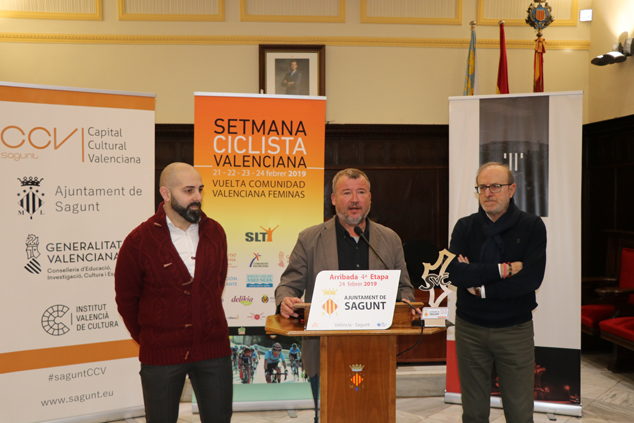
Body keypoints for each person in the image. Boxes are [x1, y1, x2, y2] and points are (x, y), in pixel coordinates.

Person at [275, 168, 416, 422]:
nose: (354, 200)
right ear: (333, 199)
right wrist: (285, 299)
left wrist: (406, 302)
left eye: (361, 192)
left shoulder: (390, 239)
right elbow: (288, 285)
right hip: (325, 348)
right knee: (329, 415)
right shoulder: (310, 238)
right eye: (346, 193)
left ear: (370, 198)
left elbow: (404, 288)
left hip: (377, 348)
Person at [114, 162, 232, 423]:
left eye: (200, 189)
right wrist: (152, 338)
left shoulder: (215, 233)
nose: (197, 197)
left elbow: (216, 284)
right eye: (189, 191)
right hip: (161, 354)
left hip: (214, 349)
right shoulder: (139, 241)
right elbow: (126, 299)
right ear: (166, 194)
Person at [446, 162, 547, 423]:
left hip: (514, 330)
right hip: (470, 328)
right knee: (474, 413)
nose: (488, 193)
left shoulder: (531, 226)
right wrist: (504, 270)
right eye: (482, 187)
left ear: (511, 190)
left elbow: (530, 280)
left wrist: (481, 288)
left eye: (495, 186)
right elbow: (455, 273)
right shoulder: (465, 227)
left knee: (519, 413)